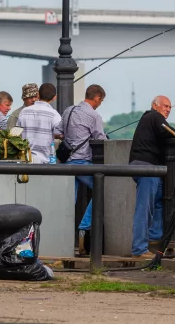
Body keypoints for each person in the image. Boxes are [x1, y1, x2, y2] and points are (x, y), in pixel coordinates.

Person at [55, 84, 108, 256]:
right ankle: (84, 229)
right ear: (97, 98)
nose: (100, 104)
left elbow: (57, 131)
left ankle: (60, 239)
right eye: (101, 100)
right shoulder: (94, 115)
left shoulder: (68, 110)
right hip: (83, 162)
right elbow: (100, 138)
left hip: (66, 163)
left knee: (69, 201)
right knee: (102, 189)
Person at [129, 95, 175, 258]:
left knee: (158, 204)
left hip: (150, 168)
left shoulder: (149, 119)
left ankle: (154, 241)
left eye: (170, 107)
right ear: (155, 105)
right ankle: (139, 249)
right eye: (165, 106)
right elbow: (169, 132)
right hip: (147, 167)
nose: (167, 110)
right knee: (144, 208)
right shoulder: (154, 116)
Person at [18, 83, 62, 164]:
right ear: (55, 97)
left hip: (25, 160)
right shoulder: (54, 114)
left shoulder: (23, 112)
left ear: (38, 95)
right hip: (45, 161)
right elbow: (60, 134)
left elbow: (17, 134)